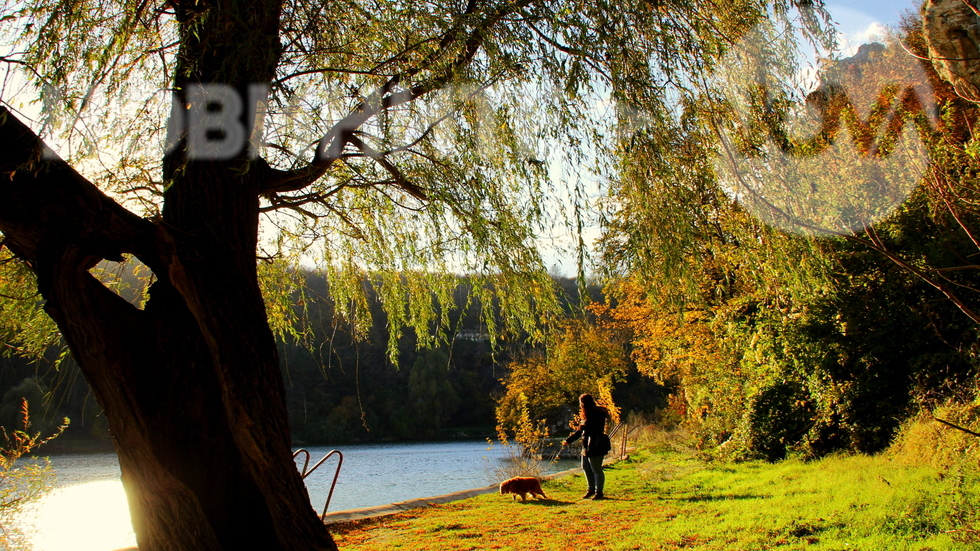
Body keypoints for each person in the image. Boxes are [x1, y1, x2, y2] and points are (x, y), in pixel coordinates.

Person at [563, 393, 609, 500]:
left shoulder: (597, 413)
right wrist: (569, 440)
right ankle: (591, 489)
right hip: (586, 445)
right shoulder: (586, 415)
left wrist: (584, 427)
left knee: (596, 469)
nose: (580, 405)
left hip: (596, 444)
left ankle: (599, 492)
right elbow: (580, 431)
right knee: (586, 467)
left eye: (581, 403)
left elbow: (592, 429)